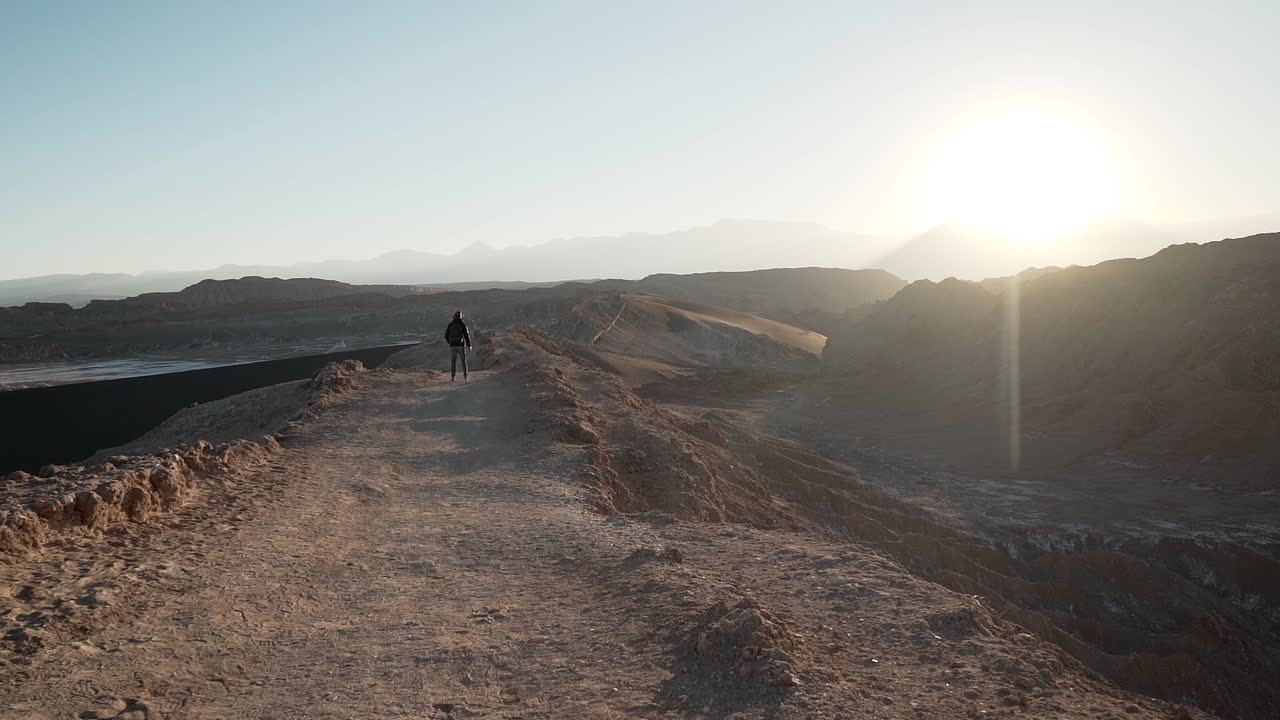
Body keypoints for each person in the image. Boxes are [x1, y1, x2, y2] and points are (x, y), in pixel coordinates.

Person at [444, 310, 472, 381]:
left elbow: (446, 335)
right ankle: (466, 376)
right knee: (463, 360)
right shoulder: (462, 324)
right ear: (461, 317)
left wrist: (450, 342)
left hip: (452, 346)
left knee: (453, 361)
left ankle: (453, 377)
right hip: (461, 345)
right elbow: (466, 335)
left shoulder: (450, 324)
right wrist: (469, 345)